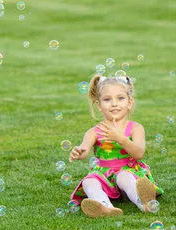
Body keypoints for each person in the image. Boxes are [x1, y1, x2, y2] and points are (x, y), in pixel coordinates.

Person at [69, 75, 163, 217]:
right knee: (89, 182)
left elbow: (139, 154)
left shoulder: (135, 128)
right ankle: (105, 207)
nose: (114, 104)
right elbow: (85, 149)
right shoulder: (94, 132)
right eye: (107, 99)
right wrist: (78, 152)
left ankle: (143, 202)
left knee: (123, 177)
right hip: (104, 174)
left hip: (129, 171)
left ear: (129, 102)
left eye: (120, 98)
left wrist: (121, 139)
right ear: (99, 105)